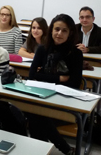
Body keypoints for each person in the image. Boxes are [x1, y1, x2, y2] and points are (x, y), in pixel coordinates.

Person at [28, 14, 82, 155]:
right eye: (57, 29)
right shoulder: (42, 49)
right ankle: (65, 150)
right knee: (35, 114)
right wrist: (60, 78)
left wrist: (45, 78)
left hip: (64, 101)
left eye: (64, 30)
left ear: (70, 33)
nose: (59, 33)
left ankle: (49, 149)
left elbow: (74, 83)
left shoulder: (75, 54)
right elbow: (32, 76)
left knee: (36, 116)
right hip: (42, 97)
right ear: (51, 30)